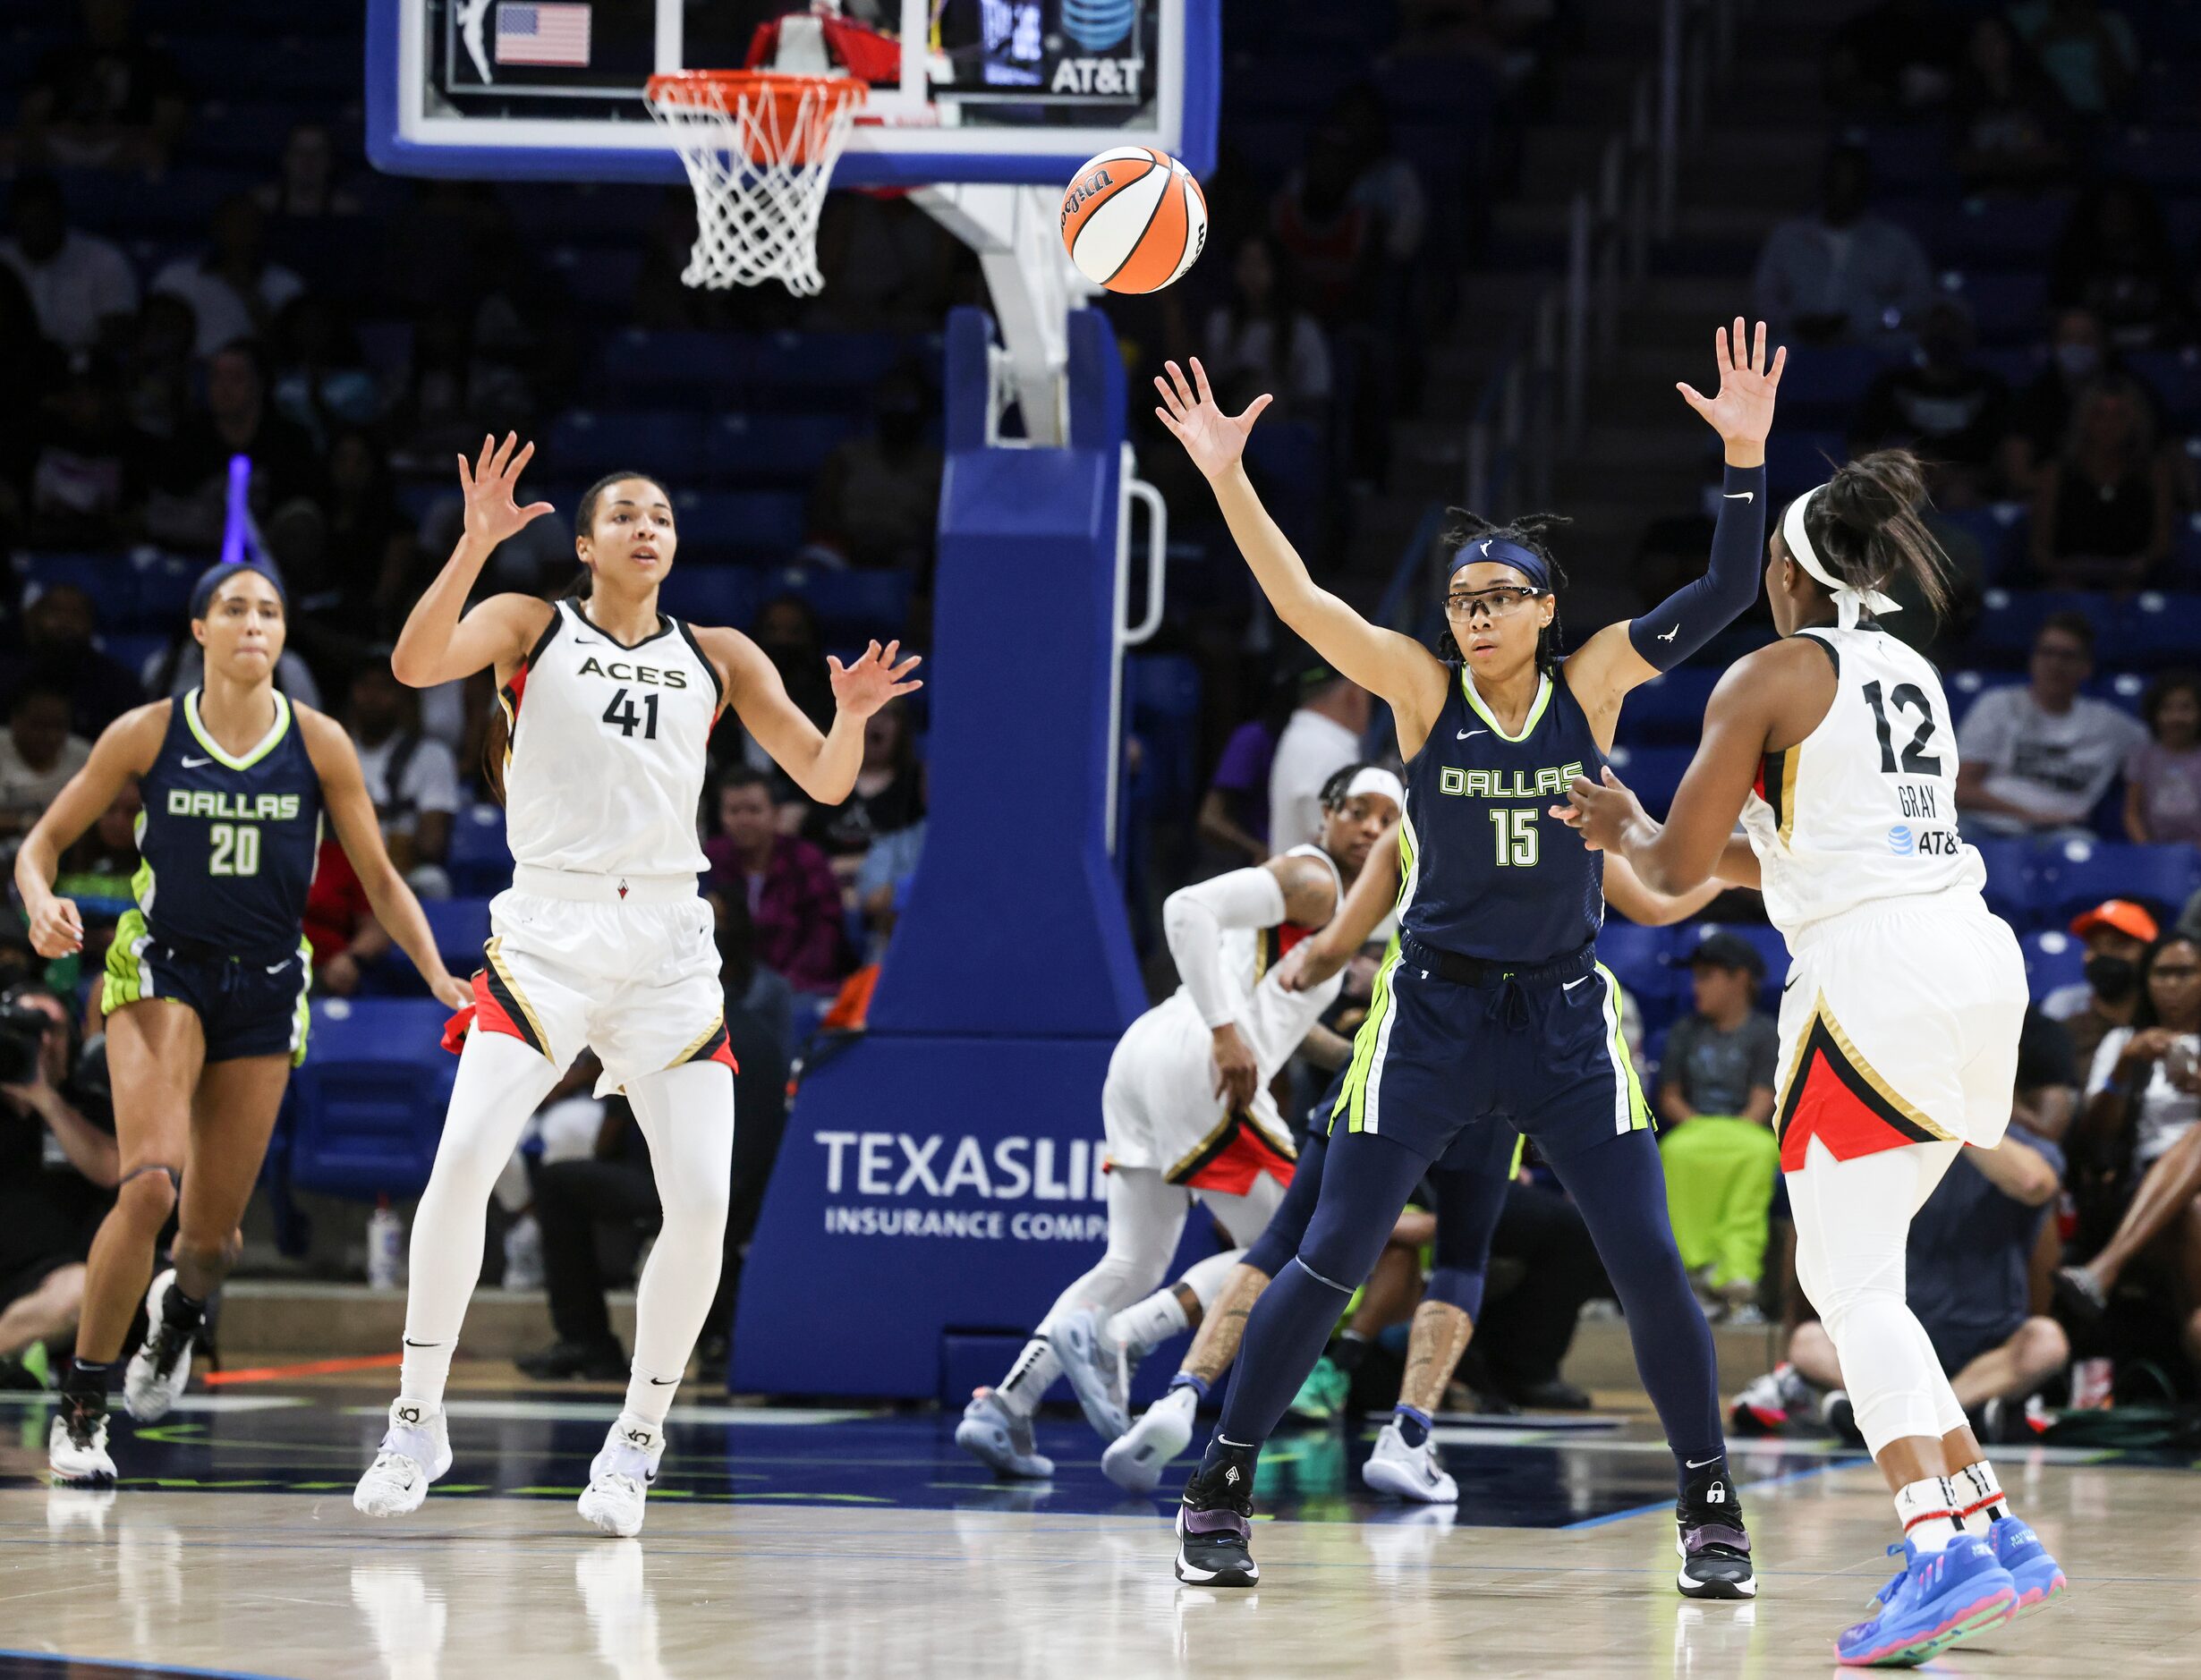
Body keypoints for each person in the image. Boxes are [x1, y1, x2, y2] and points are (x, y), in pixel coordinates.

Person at [1153, 318, 1782, 1597]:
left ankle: (1709, 1506)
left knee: (1648, 1257)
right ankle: (1222, 1481)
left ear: (1545, 610)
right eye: (1461, 598)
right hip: (1430, 1014)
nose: (1478, 612)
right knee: (1331, 1251)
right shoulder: (1419, 692)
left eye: (1500, 596)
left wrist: (1744, 460)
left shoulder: (1595, 681)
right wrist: (1226, 476)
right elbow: (1298, 600)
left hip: (1561, 1017)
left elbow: (1723, 597)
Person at [352, 441, 917, 1538]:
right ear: (585, 544)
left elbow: (827, 778)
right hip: (549, 928)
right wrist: (474, 542)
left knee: (701, 1202)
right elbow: (419, 664)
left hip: (665, 943)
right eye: (624, 516)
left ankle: (637, 1439)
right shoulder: (530, 622)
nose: (647, 528)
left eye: (661, 515)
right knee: (463, 1158)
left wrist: (847, 714)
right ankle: (417, 1418)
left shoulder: (721, 653)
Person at [1561, 448, 2065, 1662]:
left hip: (1872, 980)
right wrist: (1637, 837)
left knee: (1850, 1291)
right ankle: (1991, 1529)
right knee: (1871, 1276)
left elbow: (1677, 872)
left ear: (1783, 568)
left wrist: (1628, 825)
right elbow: (1755, 864)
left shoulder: (1771, 670)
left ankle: (1937, 1550)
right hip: (1972, 967)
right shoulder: (1912, 675)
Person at [1097, 811, 1727, 1499]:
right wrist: (1741, 862)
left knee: (1298, 1243)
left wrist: (1317, 975)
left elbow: (1328, 952)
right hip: (1515, 1052)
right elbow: (1661, 897)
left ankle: (1188, 1396)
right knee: (1457, 1255)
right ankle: (1409, 1431)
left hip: (1410, 1053)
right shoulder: (1565, 807)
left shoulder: (1424, 811)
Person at [20, 561, 470, 1486]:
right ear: (200, 632)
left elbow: (382, 878)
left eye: (269, 610)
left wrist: (437, 973)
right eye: (235, 609)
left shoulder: (321, 743)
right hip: (161, 968)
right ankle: (83, 1407)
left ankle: (176, 1315)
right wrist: (37, 900)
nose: (255, 624)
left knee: (214, 1242)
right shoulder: (148, 733)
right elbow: (40, 845)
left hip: (267, 984)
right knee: (148, 1186)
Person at [955, 764, 1401, 1480]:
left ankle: (1005, 1406)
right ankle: (1126, 1338)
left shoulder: (1350, 909)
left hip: (1148, 1057)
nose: (1373, 829)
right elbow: (1186, 908)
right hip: (1205, 1057)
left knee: (1130, 1261)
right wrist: (1227, 1034)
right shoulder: (1313, 878)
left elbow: (1283, 1019)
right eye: (1359, 811)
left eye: (1390, 819)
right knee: (1295, 1245)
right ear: (1324, 816)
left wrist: (1356, 1052)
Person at [1789, 1010, 2075, 1442]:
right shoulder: (1888, 1141)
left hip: (1988, 1342)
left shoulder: (2019, 1144)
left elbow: (2034, 1183)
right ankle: (1955, 1415)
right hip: (1899, 1333)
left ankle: (1919, 1414)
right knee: (1808, 1341)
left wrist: (1952, 1118)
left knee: (2047, 1341)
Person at [2052, 932, 2201, 1364]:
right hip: (2142, 1192)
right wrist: (2125, 1066)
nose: (2171, 985)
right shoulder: (2122, 1042)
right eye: (2161, 974)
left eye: (2185, 973)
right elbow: (2094, 1141)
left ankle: (2105, 1270)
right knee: (2193, 1209)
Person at [0, 986, 118, 1391]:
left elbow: (111, 1171)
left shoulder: (88, 1105)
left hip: (48, 1278)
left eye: (54, 1030)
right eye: (29, 1031)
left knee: (87, 1287)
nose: (43, 1042)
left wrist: (48, 1102)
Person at [1658, 932, 1781, 1315]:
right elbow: (1670, 1096)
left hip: (1748, 1131)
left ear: (1739, 978)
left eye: (1706, 976)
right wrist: (1703, 1126)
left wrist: (1731, 1130)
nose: (1697, 987)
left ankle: (1736, 1269)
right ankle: (1690, 1269)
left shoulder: (1764, 1033)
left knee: (1759, 1152)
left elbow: (1764, 1099)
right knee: (1674, 1150)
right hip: (1694, 1129)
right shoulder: (1685, 1031)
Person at [1955, 612, 2146, 837]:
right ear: (2033, 660)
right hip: (1986, 824)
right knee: (1953, 836)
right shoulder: (1998, 704)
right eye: (2047, 653)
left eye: (2067, 656)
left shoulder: (2111, 725)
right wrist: (2027, 814)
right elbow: (1961, 788)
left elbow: (2169, 749)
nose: (2055, 664)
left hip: (2058, 833)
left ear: (2086, 667)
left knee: (2081, 844)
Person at [1750, 146, 1934, 349]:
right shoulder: (1787, 237)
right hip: (1797, 347)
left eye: (1852, 181)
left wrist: (1875, 319)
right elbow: (1764, 296)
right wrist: (1793, 321)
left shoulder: (1897, 243)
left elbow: (1919, 300)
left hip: (1869, 351)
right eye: (1836, 180)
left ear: (1865, 186)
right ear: (1824, 184)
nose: (1843, 188)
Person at [1849, 300, 2009, 508]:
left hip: (1967, 497)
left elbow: (2005, 462)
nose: (1942, 334)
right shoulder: (1889, 386)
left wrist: (1955, 478)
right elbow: (1861, 448)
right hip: (1899, 492)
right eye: (1935, 325)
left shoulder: (1990, 390)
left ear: (1968, 333)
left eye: (1951, 327)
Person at [705, 766, 846, 995]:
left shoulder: (807, 861)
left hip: (801, 988)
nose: (743, 820)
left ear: (777, 814)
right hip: (726, 991)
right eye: (733, 811)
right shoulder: (710, 860)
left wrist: (782, 988)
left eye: (753, 810)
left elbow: (824, 937)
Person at [2027, 375, 2173, 590]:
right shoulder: (2056, 473)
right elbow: (2040, 551)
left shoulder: (2155, 472)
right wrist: (2068, 570)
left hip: (2138, 584)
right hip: (2069, 583)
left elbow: (2162, 545)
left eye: (2119, 415)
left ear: (2136, 420)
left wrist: (2135, 568)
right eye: (2099, 414)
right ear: (2083, 419)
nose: (2109, 424)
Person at [345, 661, 462, 899]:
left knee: (433, 880)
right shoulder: (334, 749)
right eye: (365, 687)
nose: (373, 697)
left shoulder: (430, 755)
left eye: (384, 688)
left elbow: (433, 844)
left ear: (403, 697)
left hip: (402, 874)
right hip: (343, 867)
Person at [150, 197, 308, 361]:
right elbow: (156, 343)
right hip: (190, 374)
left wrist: (251, 295)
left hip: (258, 377)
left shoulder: (287, 285)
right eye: (234, 224)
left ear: (262, 231)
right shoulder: (176, 278)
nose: (241, 232)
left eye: (250, 225)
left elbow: (291, 354)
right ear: (216, 228)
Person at [0, 174, 138, 353]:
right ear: (14, 218)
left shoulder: (104, 258)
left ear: (60, 214)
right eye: (29, 219)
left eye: (44, 217)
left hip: (83, 370)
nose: (38, 230)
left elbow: (120, 331)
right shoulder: (4, 259)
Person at [1202, 235, 1332, 421]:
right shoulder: (1220, 322)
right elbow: (1212, 384)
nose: (1251, 272)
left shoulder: (1303, 330)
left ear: (1278, 269)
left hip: (1285, 433)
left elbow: (1315, 398)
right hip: (1228, 429)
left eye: (1260, 264)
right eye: (1245, 262)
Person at [0, 584, 151, 741]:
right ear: (32, 621)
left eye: (76, 614)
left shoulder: (118, 683)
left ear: (91, 624)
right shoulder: (7, 676)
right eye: (55, 612)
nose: (65, 622)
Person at [798, 700, 921, 880]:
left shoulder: (915, 781)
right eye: (868, 713)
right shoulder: (823, 774)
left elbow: (916, 848)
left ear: (901, 727)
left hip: (886, 887)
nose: (877, 721)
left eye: (887, 714)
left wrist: (848, 866)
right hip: (822, 884)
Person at [2044, 898, 2159, 1072]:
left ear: (2150, 953)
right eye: (2094, 946)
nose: (2105, 955)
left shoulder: (2166, 1017)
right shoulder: (2065, 1014)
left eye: (2119, 945)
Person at [1267, 665, 1370, 853]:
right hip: (1317, 881)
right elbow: (1343, 850)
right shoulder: (1328, 752)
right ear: (1354, 692)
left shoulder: (1307, 737)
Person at [0, 686, 93, 838]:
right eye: (39, 726)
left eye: (58, 727)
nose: (50, 736)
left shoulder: (85, 756)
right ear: (15, 721)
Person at [2124, 669, 2201, 846]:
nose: (2176, 717)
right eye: (2167, 708)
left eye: (2186, 708)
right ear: (2155, 713)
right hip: (2154, 850)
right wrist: (2147, 848)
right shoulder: (2142, 755)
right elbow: (2132, 814)